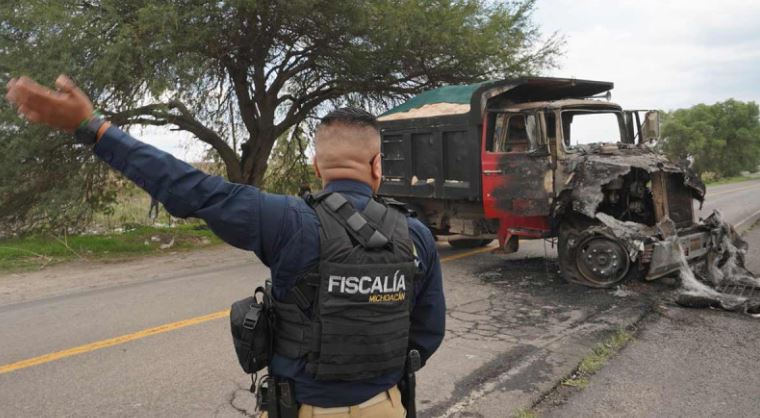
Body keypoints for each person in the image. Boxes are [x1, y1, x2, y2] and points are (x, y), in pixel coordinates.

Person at [5, 75, 445, 418]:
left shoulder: (287, 221)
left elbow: (190, 189)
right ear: (377, 164)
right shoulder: (417, 235)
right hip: (388, 406)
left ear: (316, 165)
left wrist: (93, 128)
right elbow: (427, 334)